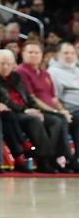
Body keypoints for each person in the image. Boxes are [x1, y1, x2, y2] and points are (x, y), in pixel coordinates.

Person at [15, 41, 75, 172]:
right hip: (36, 109)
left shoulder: (44, 73)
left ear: (42, 55)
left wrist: (63, 110)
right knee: (57, 121)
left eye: (36, 52)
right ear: (23, 54)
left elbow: (53, 98)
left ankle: (63, 158)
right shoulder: (21, 71)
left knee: (63, 118)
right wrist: (55, 111)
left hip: (50, 110)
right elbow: (33, 98)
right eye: (30, 52)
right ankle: (51, 159)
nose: (33, 55)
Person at [48, 42, 79, 170]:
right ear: (58, 55)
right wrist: (63, 111)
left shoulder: (77, 70)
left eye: (72, 53)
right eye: (65, 53)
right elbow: (54, 98)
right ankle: (74, 159)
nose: (69, 56)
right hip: (67, 110)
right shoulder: (53, 72)